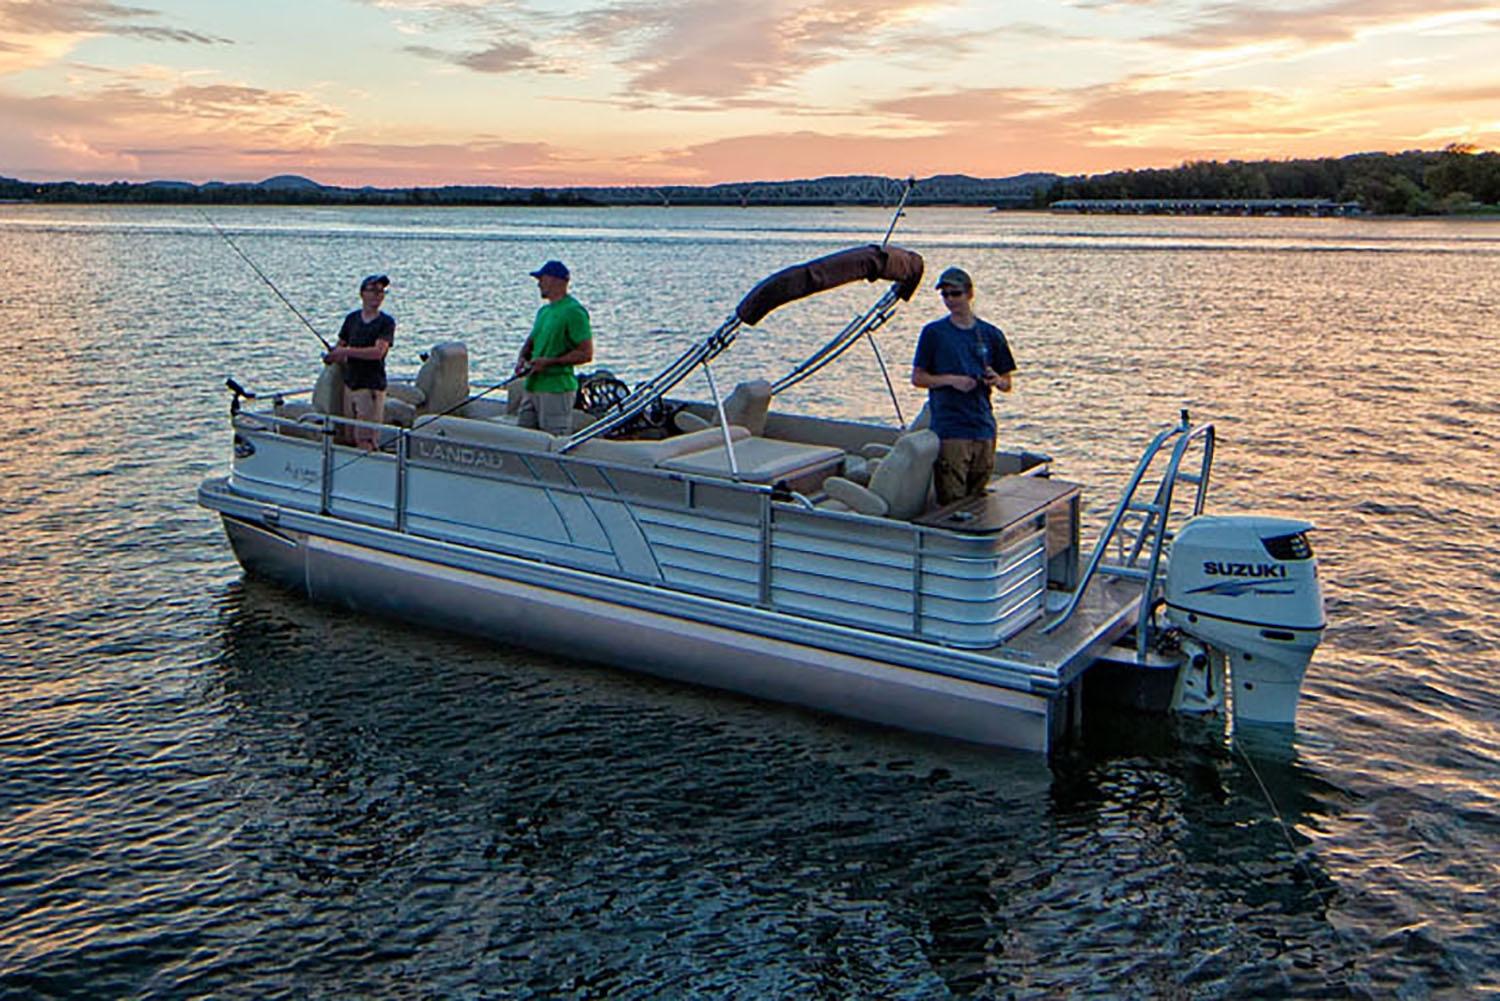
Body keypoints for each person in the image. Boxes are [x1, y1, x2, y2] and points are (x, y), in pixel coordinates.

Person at [911, 266, 1017, 506]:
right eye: (945, 295)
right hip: (950, 428)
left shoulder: (992, 334)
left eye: (955, 293)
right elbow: (918, 378)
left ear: (969, 294)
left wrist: (996, 380)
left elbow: (1007, 383)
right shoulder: (933, 333)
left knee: (978, 498)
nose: (950, 300)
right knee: (952, 498)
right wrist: (952, 380)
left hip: (983, 427)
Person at [512, 260, 593, 435]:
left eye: (542, 279)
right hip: (533, 387)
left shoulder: (574, 311)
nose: (539, 284)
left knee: (553, 438)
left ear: (557, 281)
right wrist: (522, 359)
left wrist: (550, 362)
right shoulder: (544, 312)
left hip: (556, 389)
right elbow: (531, 341)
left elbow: (585, 353)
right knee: (522, 436)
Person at [323, 273, 395, 451]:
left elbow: (379, 352)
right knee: (349, 436)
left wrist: (346, 351)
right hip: (350, 385)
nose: (377, 295)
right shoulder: (352, 319)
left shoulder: (386, 322)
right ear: (362, 293)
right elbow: (340, 346)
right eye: (373, 290)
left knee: (366, 440)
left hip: (370, 386)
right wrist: (332, 356)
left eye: (381, 291)